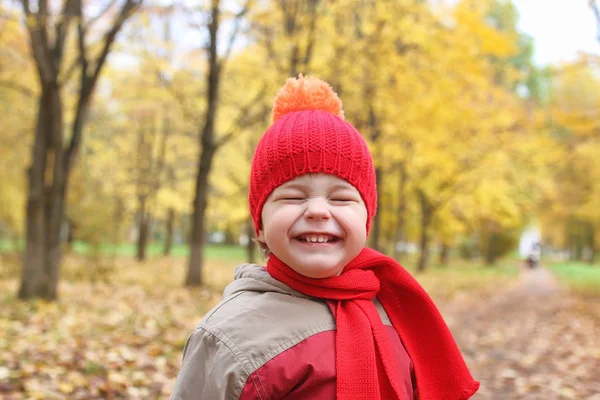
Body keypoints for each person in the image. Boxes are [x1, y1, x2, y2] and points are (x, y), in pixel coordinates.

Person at [170, 75, 479, 399]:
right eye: (292, 197)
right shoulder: (230, 335)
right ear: (259, 224)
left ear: (366, 219)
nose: (318, 210)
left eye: (341, 198)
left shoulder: (392, 310)